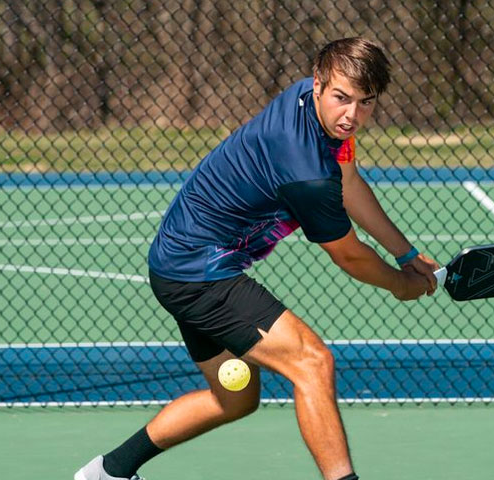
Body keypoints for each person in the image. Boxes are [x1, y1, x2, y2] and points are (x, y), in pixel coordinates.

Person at [75, 36, 438, 480]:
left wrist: (405, 253)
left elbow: (350, 182)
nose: (352, 116)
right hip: (200, 271)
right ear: (320, 84)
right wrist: (403, 285)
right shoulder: (306, 170)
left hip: (178, 261)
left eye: (366, 103)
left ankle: (107, 473)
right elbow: (349, 256)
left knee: (235, 398)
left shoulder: (308, 101)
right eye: (342, 99)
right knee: (312, 362)